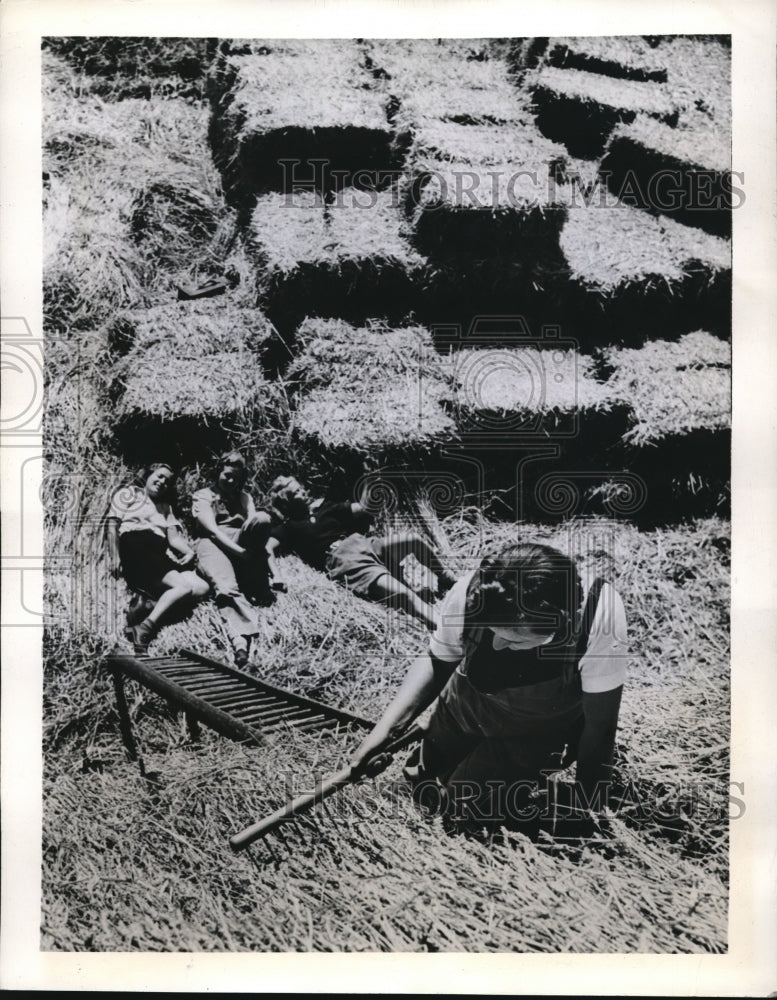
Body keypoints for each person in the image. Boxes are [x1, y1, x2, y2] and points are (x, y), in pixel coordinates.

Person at [350, 541, 627, 835]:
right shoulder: (480, 588)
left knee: (459, 812)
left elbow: (601, 727)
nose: (497, 645)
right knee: (415, 789)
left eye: (515, 639)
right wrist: (385, 731)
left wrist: (586, 811)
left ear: (561, 624)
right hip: (462, 708)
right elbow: (439, 661)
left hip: (530, 732)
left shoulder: (599, 617)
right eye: (493, 632)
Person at [266, 476, 456, 630]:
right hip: (345, 560)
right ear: (287, 502)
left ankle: (446, 577)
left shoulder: (326, 508)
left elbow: (365, 508)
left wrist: (367, 477)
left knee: (413, 540)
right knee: (404, 595)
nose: (303, 493)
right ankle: (447, 630)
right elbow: (268, 547)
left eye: (301, 488)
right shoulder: (289, 528)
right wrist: (276, 575)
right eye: (296, 493)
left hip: (364, 543)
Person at [106, 463, 209, 651]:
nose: (162, 482)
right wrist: (114, 557)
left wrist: (189, 551)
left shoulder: (166, 507)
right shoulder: (130, 493)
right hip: (136, 544)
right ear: (149, 474)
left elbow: (174, 539)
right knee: (183, 587)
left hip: (158, 552)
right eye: (159, 476)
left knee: (202, 588)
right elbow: (112, 525)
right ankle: (145, 627)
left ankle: (149, 606)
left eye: (167, 481)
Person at [191, 451, 279, 668]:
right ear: (218, 471)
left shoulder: (245, 497)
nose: (231, 481)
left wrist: (273, 571)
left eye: (236, 478)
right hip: (213, 542)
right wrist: (239, 553)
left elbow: (255, 527)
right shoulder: (203, 495)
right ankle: (241, 642)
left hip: (239, 538)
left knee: (262, 518)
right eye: (227, 475)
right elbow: (212, 531)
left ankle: (256, 579)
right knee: (226, 586)